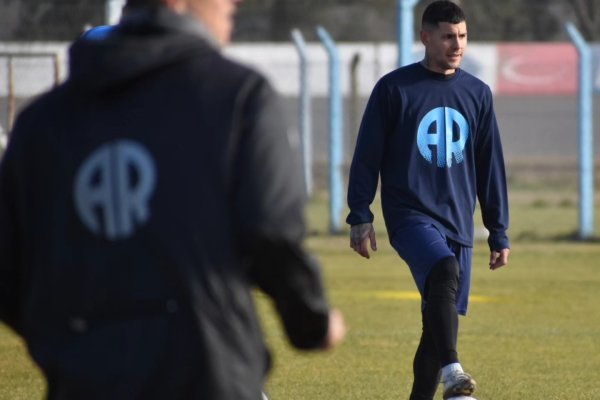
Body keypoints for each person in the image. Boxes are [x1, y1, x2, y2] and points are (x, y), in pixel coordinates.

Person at [0, 0, 346, 399]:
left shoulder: (41, 123)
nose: (234, 4)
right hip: (208, 373)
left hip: (85, 382)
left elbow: (11, 270)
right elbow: (271, 231)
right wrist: (311, 322)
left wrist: (78, 348)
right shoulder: (235, 95)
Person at [346, 1, 510, 399]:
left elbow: (490, 166)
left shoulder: (477, 94)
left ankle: (435, 385)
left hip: (458, 220)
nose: (457, 45)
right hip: (410, 216)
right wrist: (360, 214)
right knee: (444, 269)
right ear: (425, 38)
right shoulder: (394, 89)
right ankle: (455, 376)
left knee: (435, 324)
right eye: (448, 36)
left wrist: (498, 230)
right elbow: (367, 155)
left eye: (463, 36)